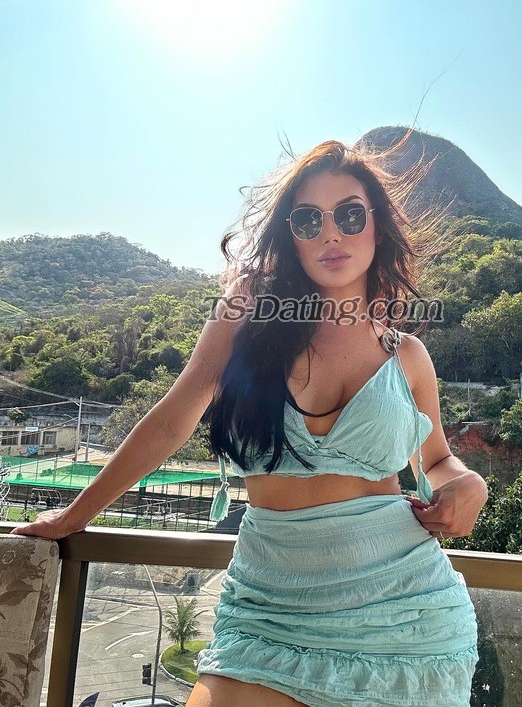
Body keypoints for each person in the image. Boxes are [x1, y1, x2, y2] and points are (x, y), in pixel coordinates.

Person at [12, 133, 488, 707]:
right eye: (308, 220)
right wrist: (75, 515)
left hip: (403, 611)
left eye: (349, 215)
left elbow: (436, 460)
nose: (330, 233)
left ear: (377, 228)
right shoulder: (247, 318)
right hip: (269, 606)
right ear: (291, 236)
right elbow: (172, 420)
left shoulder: (406, 355)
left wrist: (468, 483)